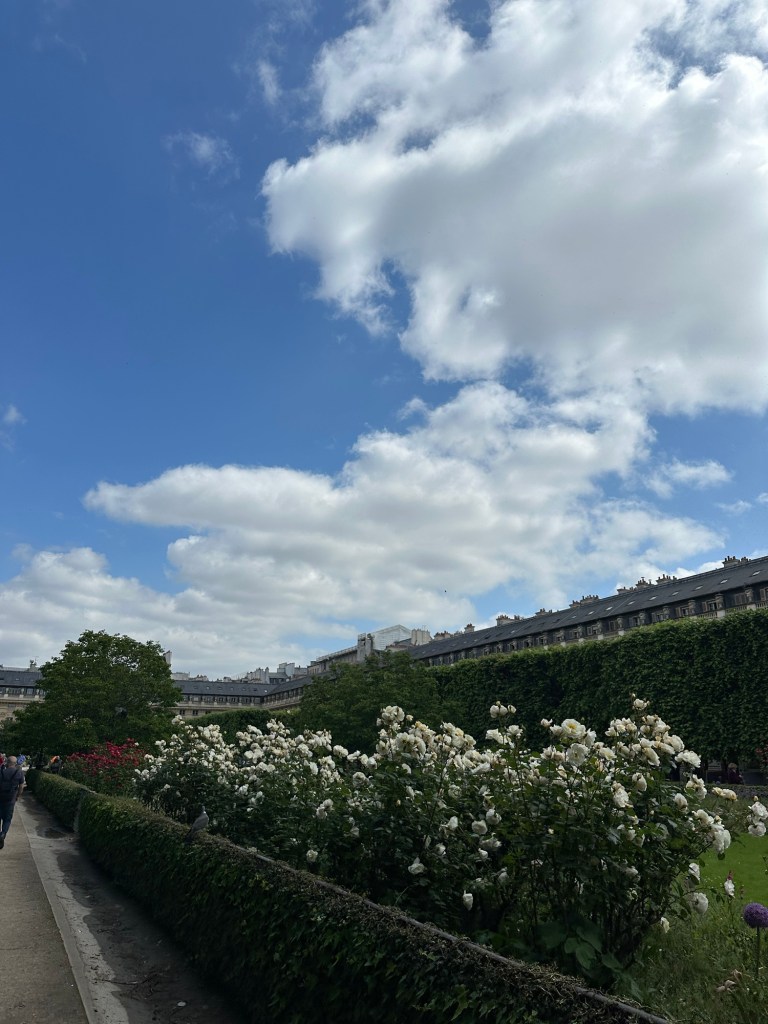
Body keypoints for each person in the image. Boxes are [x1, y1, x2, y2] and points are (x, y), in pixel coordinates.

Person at [0, 756, 26, 848]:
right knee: (7, 819)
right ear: (15, 763)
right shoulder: (19, 773)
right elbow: (21, 787)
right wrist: (17, 796)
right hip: (10, 799)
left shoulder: (1, 772)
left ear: (7, 762)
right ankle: (3, 834)